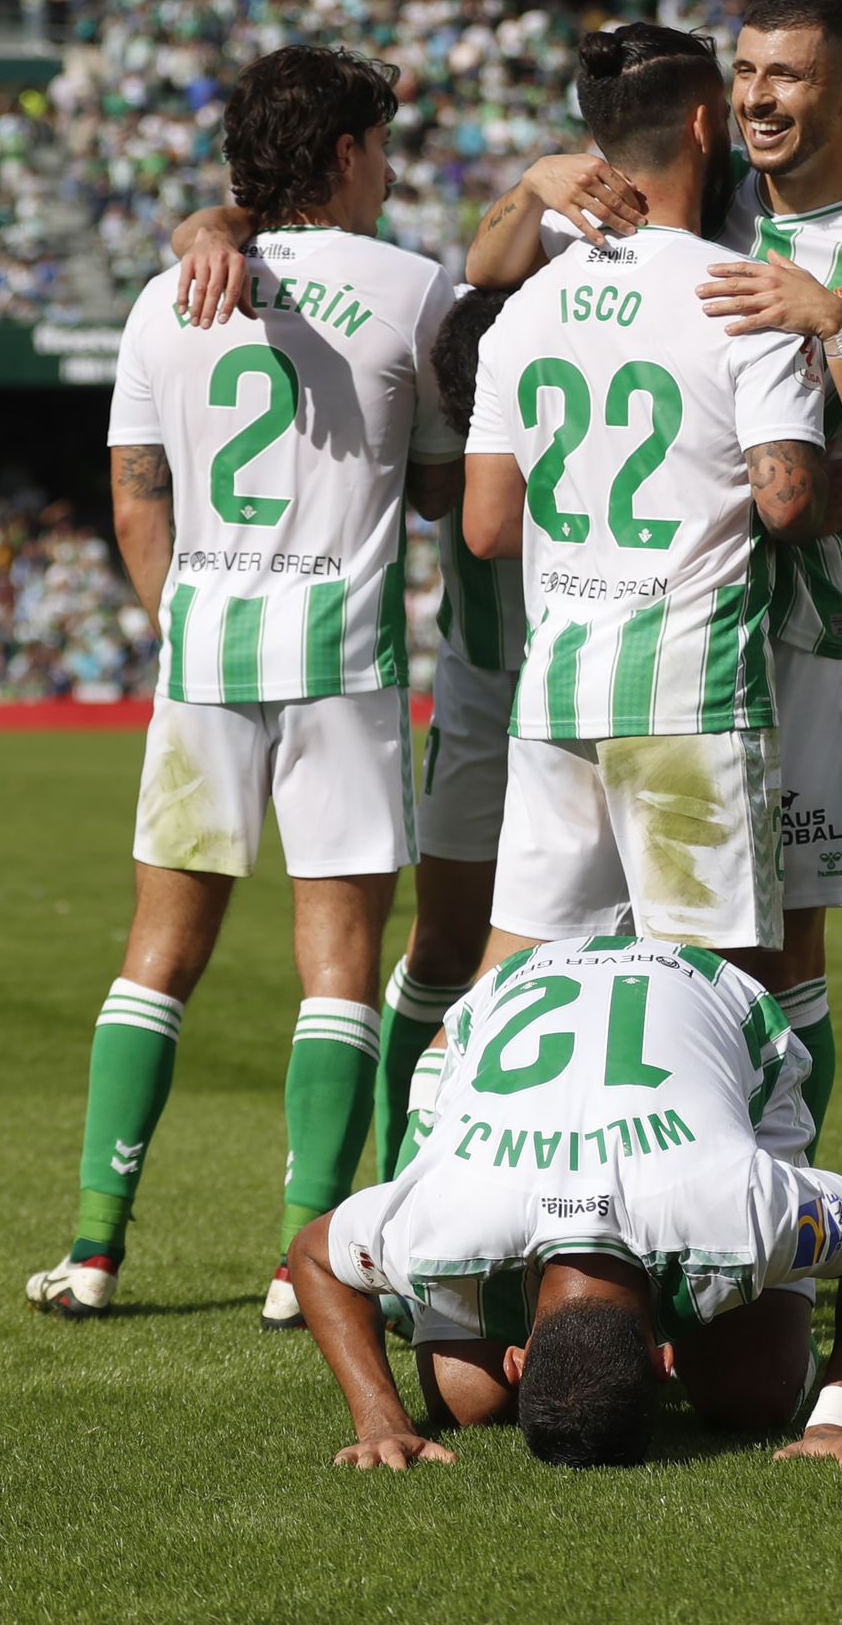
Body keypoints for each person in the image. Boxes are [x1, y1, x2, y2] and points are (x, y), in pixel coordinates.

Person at [466, 0, 842, 1155]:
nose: (758, 95)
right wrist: (540, 178)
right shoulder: (665, 209)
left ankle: (772, 1206)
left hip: (791, 646)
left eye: (787, 75)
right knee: (601, 938)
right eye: (746, 72)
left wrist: (836, 323)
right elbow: (488, 269)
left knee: (779, 954)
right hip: (652, 633)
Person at [25, 45, 463, 1328]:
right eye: (377, 148)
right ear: (340, 154)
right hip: (341, 657)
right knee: (337, 969)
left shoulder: (168, 296)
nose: (387, 172)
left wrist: (188, 618)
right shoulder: (414, 289)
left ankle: (96, 1248)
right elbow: (439, 491)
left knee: (154, 958)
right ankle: (301, 1259)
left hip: (207, 650)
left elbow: (134, 491)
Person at [463, 22, 830, 972]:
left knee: (510, 984)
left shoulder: (524, 310)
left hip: (558, 685)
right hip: (689, 686)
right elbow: (787, 503)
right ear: (708, 126)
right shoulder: (746, 295)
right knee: (722, 992)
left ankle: (432, 1116)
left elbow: (488, 523)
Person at [288, 935, 842, 1469]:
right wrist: (381, 1418)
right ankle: (414, 1296)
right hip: (512, 1005)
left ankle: (421, 1298)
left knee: (752, 1395)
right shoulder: (445, 1223)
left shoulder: (739, 1209)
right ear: (665, 1360)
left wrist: (836, 1415)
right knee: (467, 1400)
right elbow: (314, 1258)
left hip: (718, 999)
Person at [374, 286, 525, 1181]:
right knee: (440, 946)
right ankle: (399, 1177)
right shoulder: (471, 375)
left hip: (589, 696)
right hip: (479, 699)